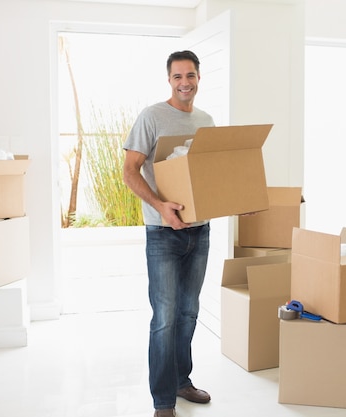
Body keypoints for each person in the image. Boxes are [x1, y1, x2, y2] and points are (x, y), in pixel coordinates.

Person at [122, 50, 215, 417]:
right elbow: (130, 171)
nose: (185, 83)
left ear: (198, 77)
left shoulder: (206, 120)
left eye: (190, 75)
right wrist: (161, 206)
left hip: (200, 230)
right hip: (163, 232)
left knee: (189, 311)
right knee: (164, 316)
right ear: (169, 80)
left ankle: (181, 380)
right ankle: (163, 401)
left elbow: (212, 173)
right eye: (177, 77)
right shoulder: (151, 117)